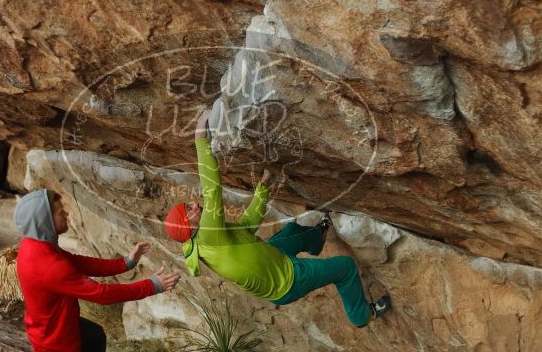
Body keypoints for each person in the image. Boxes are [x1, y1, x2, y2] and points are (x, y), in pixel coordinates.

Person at [163, 110, 390, 328]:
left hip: (273, 258)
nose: (194, 204)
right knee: (346, 267)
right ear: (189, 224)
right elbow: (212, 189)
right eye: (188, 209)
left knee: (292, 232)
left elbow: (246, 227)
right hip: (287, 281)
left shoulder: (209, 239)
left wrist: (264, 187)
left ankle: (317, 240)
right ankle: (362, 316)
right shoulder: (208, 236)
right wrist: (200, 140)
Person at [0, 189, 180, 352]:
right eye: (61, 212)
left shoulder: (36, 245)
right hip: (56, 342)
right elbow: (101, 294)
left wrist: (126, 263)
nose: (67, 214)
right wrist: (152, 286)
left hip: (59, 324)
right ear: (46, 221)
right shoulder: (49, 266)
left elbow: (78, 263)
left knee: (94, 337)